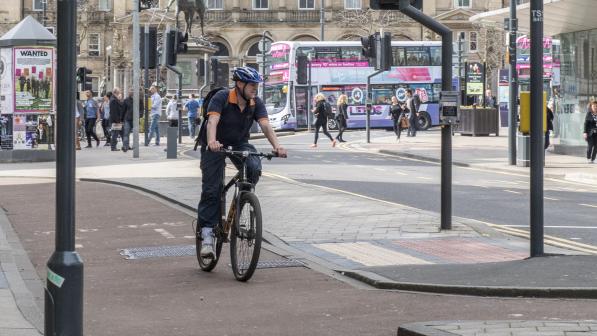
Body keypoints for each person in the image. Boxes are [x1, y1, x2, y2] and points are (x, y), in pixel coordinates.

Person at [198, 67, 287, 258]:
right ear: (240, 84)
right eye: (252, 85)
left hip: (238, 142)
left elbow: (265, 125)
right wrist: (213, 142)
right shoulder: (222, 97)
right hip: (214, 144)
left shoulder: (255, 103)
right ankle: (206, 236)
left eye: (256, 85)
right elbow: (212, 121)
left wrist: (277, 146)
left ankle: (244, 199)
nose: (255, 89)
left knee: (254, 165)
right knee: (211, 190)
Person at [109, 87, 124, 151]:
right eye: (119, 91)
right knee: (115, 134)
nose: (120, 92)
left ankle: (126, 145)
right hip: (116, 120)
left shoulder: (115, 99)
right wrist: (117, 121)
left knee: (123, 133)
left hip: (118, 120)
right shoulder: (113, 100)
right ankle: (113, 147)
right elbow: (114, 112)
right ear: (116, 92)